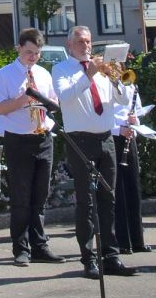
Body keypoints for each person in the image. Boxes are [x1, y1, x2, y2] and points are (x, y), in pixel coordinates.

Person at [51, 25, 134, 278]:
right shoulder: (61, 69)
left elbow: (123, 100)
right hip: (80, 140)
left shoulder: (102, 70)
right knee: (86, 201)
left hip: (106, 138)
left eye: (88, 41)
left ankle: (111, 255)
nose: (85, 46)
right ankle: (88, 258)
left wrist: (117, 79)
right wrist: (88, 74)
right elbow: (65, 96)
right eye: (80, 42)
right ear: (69, 45)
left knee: (109, 198)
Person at [0, 28, 65, 267]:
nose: (33, 57)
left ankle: (40, 245)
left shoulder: (43, 73)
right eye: (29, 52)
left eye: (37, 53)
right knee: (21, 197)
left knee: (40, 196)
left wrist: (47, 101)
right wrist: (23, 99)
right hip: (18, 139)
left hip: (43, 137)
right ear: (19, 48)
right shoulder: (5, 74)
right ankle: (21, 248)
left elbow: (55, 103)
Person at [112, 76, 149, 255]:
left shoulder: (129, 84)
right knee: (118, 190)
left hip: (129, 136)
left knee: (133, 187)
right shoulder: (102, 83)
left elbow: (138, 110)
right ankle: (122, 241)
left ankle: (137, 240)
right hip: (113, 136)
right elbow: (99, 116)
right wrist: (118, 129)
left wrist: (135, 121)